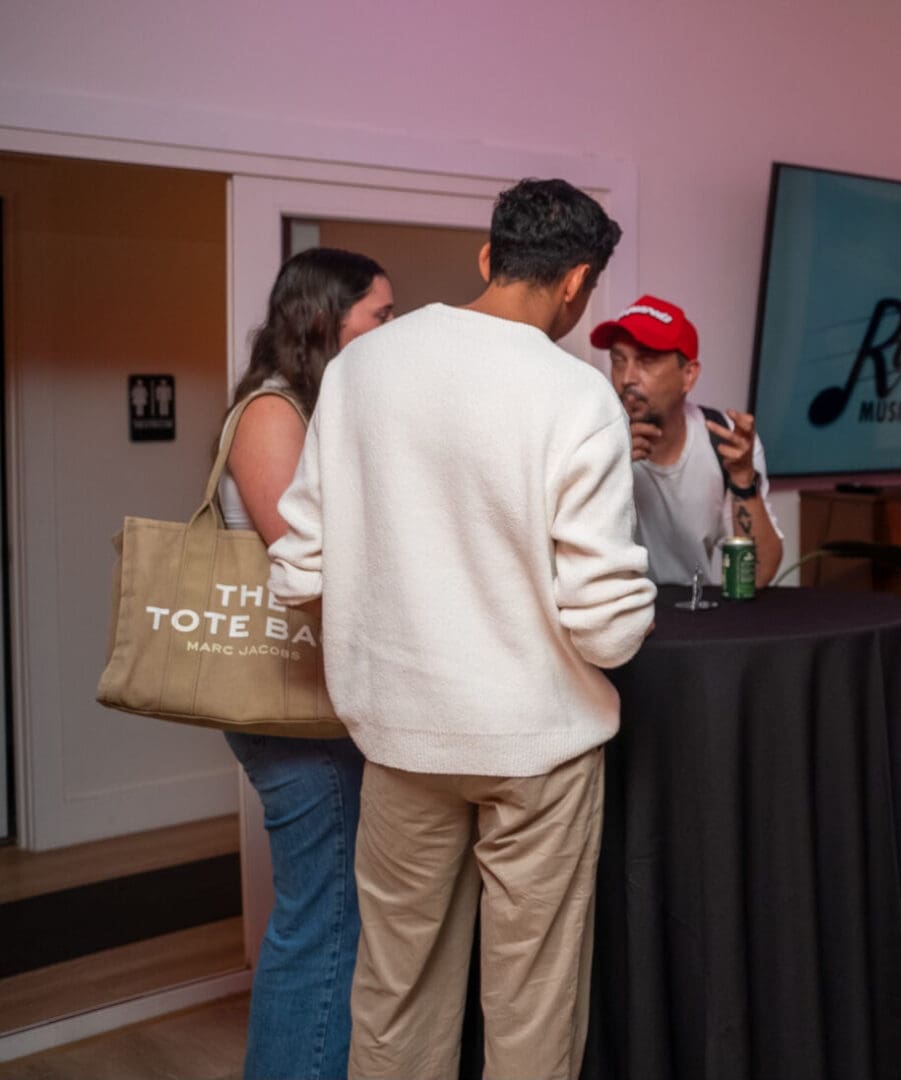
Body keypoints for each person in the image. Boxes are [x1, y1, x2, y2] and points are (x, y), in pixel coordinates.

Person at [269, 179, 656, 1080]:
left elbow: (298, 568)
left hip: (399, 733)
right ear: (578, 284)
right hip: (536, 744)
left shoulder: (361, 369)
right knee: (531, 1009)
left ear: (488, 258)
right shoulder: (574, 393)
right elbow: (603, 628)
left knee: (395, 994)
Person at [220, 246, 391, 1080]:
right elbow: (304, 560)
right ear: (327, 318)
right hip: (291, 698)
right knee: (324, 917)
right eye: (379, 316)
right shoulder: (272, 411)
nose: (388, 331)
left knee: (336, 911)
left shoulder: (322, 407)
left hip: (326, 694)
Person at [590, 295, 784, 586]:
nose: (627, 377)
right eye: (618, 361)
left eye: (646, 361)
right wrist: (607, 465)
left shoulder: (725, 439)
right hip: (615, 621)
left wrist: (744, 479)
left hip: (693, 618)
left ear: (688, 375)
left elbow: (757, 575)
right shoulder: (590, 439)